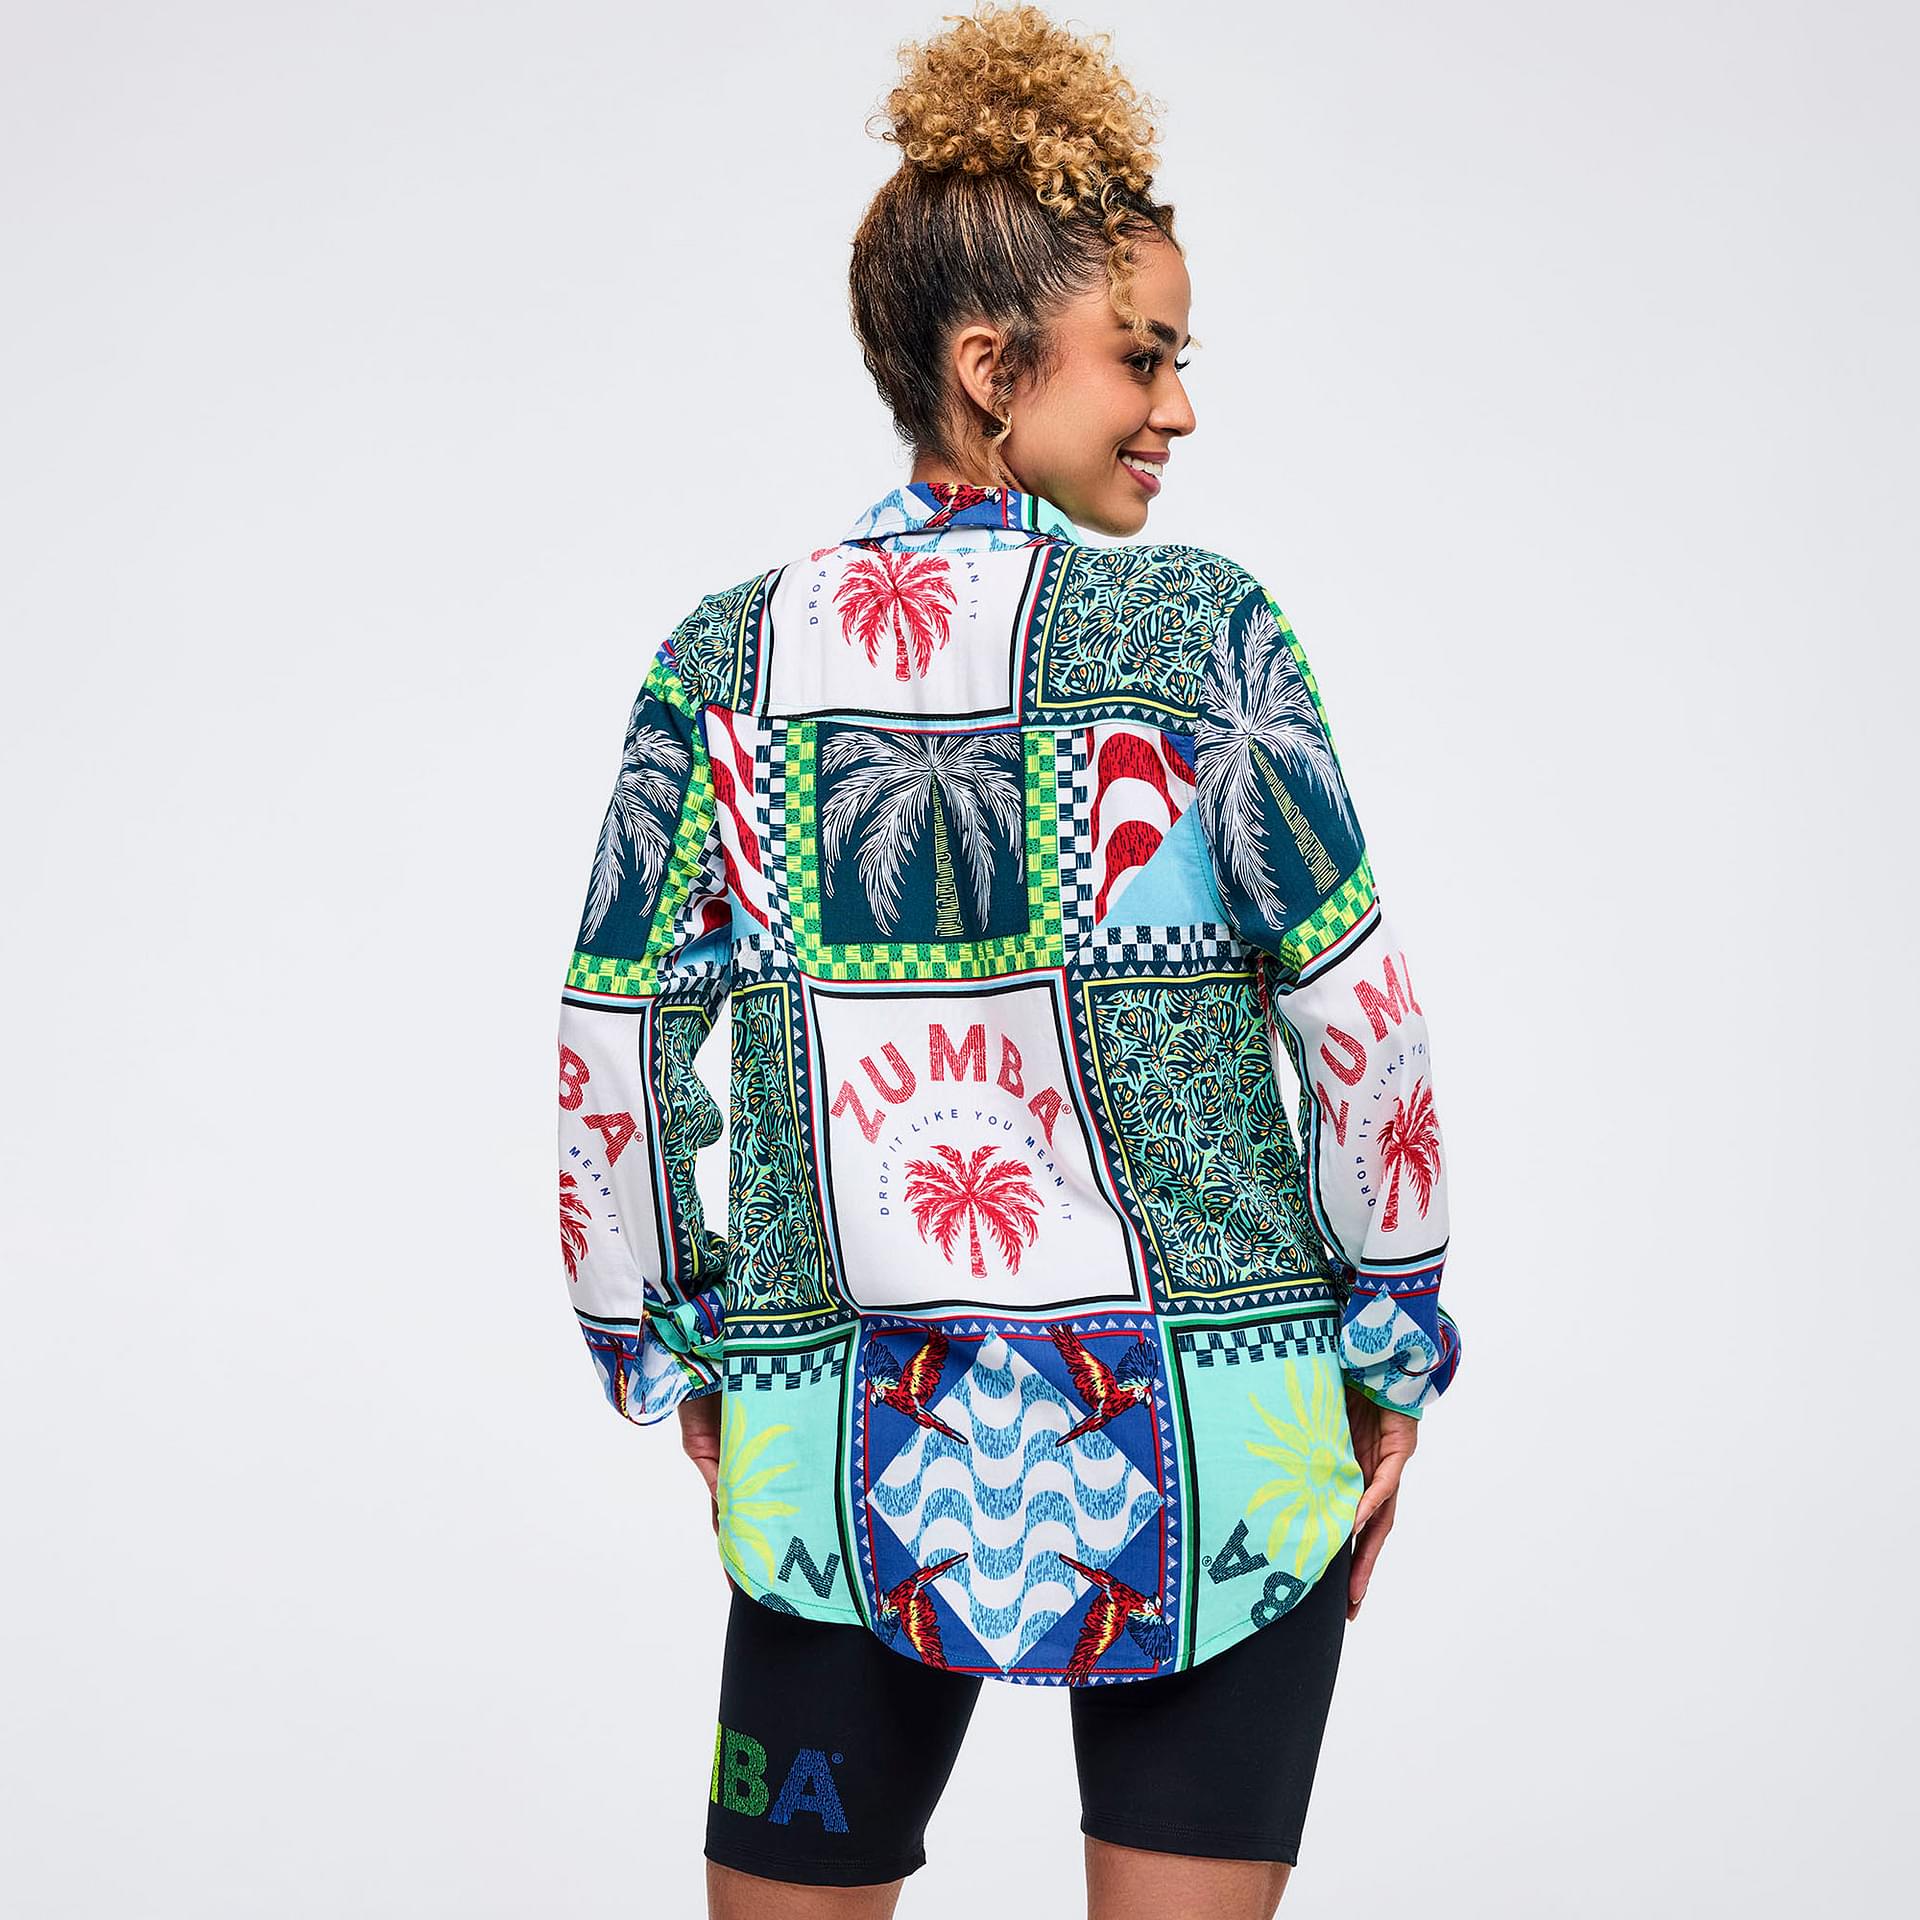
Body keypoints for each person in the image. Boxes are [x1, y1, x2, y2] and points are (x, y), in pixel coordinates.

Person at [554, 5, 1462, 1915]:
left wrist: (680, 1349)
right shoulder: (1204, 640)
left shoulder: (727, 666)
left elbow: (613, 1045)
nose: (1179, 408)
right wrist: (1390, 1348)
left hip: (836, 1448)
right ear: (992, 368)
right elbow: (1362, 1027)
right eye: (1144, 355)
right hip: (1228, 1440)